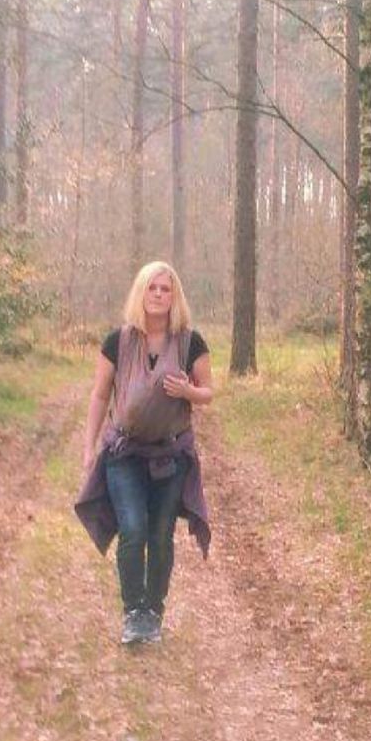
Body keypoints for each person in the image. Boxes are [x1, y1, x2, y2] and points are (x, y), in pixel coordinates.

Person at [74, 261, 213, 645]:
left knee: (161, 534)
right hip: (124, 453)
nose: (158, 295)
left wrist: (188, 392)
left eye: (165, 289)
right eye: (152, 287)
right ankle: (133, 612)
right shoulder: (117, 342)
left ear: (175, 296)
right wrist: (89, 449)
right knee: (133, 530)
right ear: (140, 292)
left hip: (171, 456)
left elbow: (209, 392)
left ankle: (154, 609)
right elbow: (100, 395)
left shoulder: (190, 342)